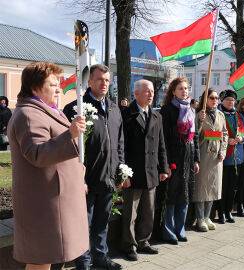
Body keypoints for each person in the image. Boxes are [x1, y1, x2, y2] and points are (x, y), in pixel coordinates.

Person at [8, 62, 88, 270]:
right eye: (53, 84)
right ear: (35, 88)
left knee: (47, 259)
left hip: (53, 202)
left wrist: (78, 176)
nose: (59, 88)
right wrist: (70, 135)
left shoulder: (44, 111)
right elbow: (37, 154)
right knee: (40, 261)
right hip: (44, 204)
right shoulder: (28, 114)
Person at [64, 64, 125, 270]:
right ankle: (84, 262)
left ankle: (101, 256)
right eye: (99, 79)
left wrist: (120, 169)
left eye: (107, 80)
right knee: (84, 224)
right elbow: (69, 148)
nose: (104, 83)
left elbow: (119, 141)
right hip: (87, 179)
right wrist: (78, 178)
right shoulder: (76, 108)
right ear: (89, 81)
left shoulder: (115, 108)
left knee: (102, 222)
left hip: (109, 177)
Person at [120, 79, 169, 261]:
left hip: (151, 172)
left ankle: (143, 241)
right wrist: (123, 173)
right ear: (136, 94)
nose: (151, 94)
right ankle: (129, 245)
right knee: (130, 213)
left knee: (148, 211)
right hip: (132, 173)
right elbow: (121, 146)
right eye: (147, 91)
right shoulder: (127, 114)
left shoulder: (156, 116)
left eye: (152, 92)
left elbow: (161, 144)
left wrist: (163, 168)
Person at [160, 77, 200, 244]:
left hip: (188, 158)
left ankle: (180, 228)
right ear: (173, 91)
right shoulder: (167, 110)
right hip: (173, 158)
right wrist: (166, 163)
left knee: (184, 195)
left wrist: (196, 159)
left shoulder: (191, 110)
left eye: (186, 88)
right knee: (171, 196)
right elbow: (164, 139)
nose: (184, 91)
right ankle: (168, 231)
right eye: (180, 88)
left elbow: (194, 137)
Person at [193, 89, 228, 232]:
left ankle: (207, 217)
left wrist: (223, 150)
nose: (214, 100)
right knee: (201, 187)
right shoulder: (199, 114)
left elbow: (224, 133)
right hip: (203, 153)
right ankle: (199, 218)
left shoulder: (221, 114)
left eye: (216, 98)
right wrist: (200, 121)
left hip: (216, 156)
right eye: (211, 98)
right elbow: (195, 133)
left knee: (213, 187)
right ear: (205, 99)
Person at [217, 89, 244, 223]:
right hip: (223, 156)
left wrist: (242, 139)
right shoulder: (218, 114)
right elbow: (208, 134)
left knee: (232, 187)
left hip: (237, 157)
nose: (231, 102)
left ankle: (229, 211)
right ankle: (221, 212)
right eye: (228, 100)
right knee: (222, 187)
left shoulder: (238, 115)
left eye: (233, 100)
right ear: (222, 101)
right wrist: (225, 139)